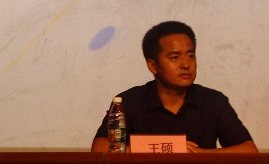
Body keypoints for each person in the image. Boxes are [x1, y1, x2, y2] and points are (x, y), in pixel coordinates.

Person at [91, 20, 258, 153]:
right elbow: (100, 147)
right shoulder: (130, 101)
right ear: (152, 66)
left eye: (190, 55)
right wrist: (163, 150)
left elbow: (249, 150)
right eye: (175, 57)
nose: (186, 64)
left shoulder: (213, 101)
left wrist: (198, 155)